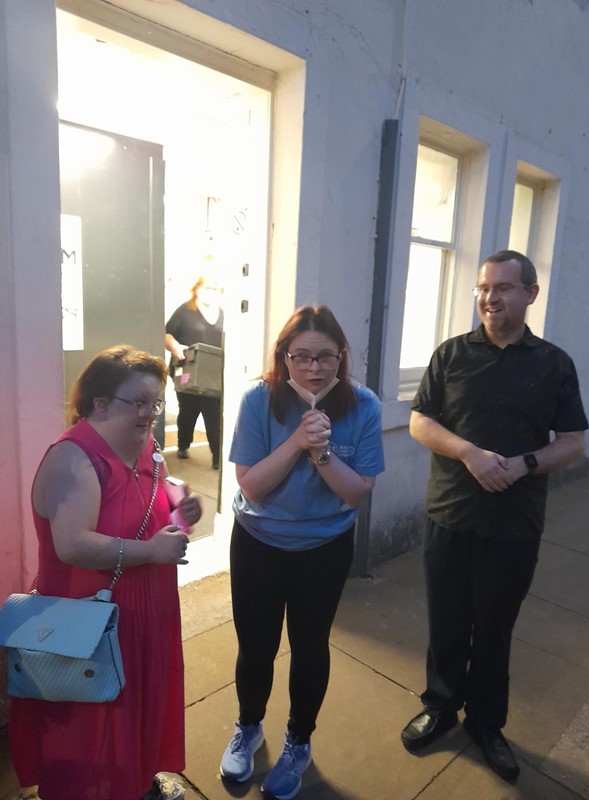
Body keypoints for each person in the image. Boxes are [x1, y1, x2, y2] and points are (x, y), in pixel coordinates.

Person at [400, 250, 588, 782]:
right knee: (447, 622)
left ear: (530, 293)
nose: (490, 297)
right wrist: (468, 453)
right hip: (450, 515)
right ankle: (440, 706)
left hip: (514, 525)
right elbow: (419, 421)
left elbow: (572, 443)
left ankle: (486, 722)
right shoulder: (452, 355)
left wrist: (526, 463)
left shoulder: (554, 364)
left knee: (496, 628)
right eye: (484, 287)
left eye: (503, 288)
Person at [9, 345, 202, 800]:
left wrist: (177, 507)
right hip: (89, 615)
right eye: (138, 402)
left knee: (135, 704)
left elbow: (153, 494)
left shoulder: (147, 447)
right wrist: (153, 550)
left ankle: (134, 781)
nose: (150, 413)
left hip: (143, 609)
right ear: (99, 404)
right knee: (91, 719)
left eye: (156, 402)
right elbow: (72, 544)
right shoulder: (74, 457)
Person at [219, 305, 385, 800]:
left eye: (326, 357)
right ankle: (249, 727)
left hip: (324, 548)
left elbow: (355, 492)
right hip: (258, 543)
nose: (314, 368)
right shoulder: (257, 400)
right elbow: (253, 486)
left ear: (342, 357)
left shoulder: (365, 406)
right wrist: (295, 441)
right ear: (284, 357)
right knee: (256, 645)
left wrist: (322, 452)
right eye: (302, 357)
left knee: (310, 646)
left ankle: (299, 740)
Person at [165, 274, 224, 468]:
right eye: (207, 288)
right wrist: (176, 347)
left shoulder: (222, 313)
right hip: (186, 369)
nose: (211, 292)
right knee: (188, 410)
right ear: (196, 289)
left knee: (213, 413)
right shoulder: (184, 311)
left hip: (212, 375)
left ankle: (217, 457)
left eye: (215, 289)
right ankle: (183, 444)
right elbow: (167, 334)